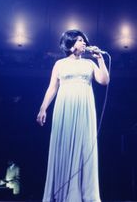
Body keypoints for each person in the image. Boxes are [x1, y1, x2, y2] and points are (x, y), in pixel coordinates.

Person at [37, 29, 110, 202]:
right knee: (64, 144)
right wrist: (43, 108)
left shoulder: (89, 64)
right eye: (79, 40)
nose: (84, 43)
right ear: (70, 45)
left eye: (84, 40)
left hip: (84, 108)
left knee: (84, 147)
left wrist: (100, 59)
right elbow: (52, 87)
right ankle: (61, 193)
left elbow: (104, 80)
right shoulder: (60, 64)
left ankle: (83, 194)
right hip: (65, 107)